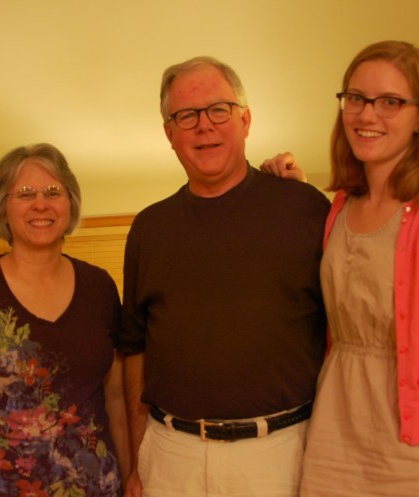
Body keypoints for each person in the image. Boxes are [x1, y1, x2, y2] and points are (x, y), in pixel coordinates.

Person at [267, 40, 419, 497]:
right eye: (355, 98)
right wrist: (291, 193)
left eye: (391, 102)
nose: (367, 115)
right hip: (333, 447)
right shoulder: (338, 205)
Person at [117, 56, 330, 497]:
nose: (204, 125)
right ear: (169, 133)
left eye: (218, 109)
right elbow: (135, 349)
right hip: (171, 458)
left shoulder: (304, 208)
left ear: (245, 119)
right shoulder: (149, 229)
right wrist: (137, 456)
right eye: (186, 115)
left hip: (281, 456)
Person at [0, 143, 130, 497]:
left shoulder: (100, 287)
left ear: (70, 202)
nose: (40, 204)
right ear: (4, 206)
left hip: (97, 488)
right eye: (25, 193)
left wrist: (131, 476)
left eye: (52, 192)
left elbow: (116, 401)